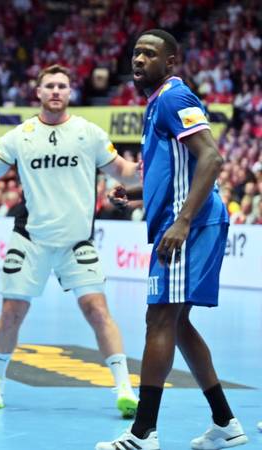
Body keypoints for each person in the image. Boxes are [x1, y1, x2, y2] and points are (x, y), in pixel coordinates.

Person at [96, 29, 248, 450]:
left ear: (171, 62)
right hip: (184, 220)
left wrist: (181, 222)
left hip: (190, 224)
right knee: (176, 323)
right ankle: (225, 423)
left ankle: (143, 433)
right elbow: (178, 170)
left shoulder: (174, 98)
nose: (139, 59)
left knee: (159, 319)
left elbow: (212, 157)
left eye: (149, 53)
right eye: (136, 52)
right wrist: (138, 193)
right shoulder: (156, 104)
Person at [0, 64, 141, 417]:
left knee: (98, 311)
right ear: (39, 92)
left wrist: (146, 167)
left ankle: (124, 388)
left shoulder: (89, 133)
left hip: (77, 242)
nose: (56, 91)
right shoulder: (19, 136)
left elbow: (123, 171)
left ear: (70, 92)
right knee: (11, 314)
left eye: (62, 86)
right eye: (50, 86)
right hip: (31, 239)